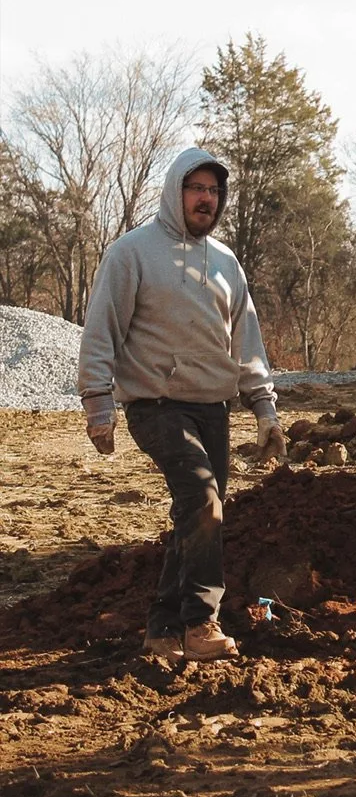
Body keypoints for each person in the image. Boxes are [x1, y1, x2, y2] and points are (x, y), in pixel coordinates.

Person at [76, 147, 287, 660]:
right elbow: (101, 326)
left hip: (213, 408)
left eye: (214, 191)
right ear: (175, 192)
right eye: (196, 188)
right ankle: (201, 622)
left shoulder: (227, 263)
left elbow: (247, 341)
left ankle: (161, 630)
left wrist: (265, 410)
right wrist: (97, 401)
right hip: (156, 405)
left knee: (196, 517)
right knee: (202, 499)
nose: (206, 199)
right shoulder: (133, 252)